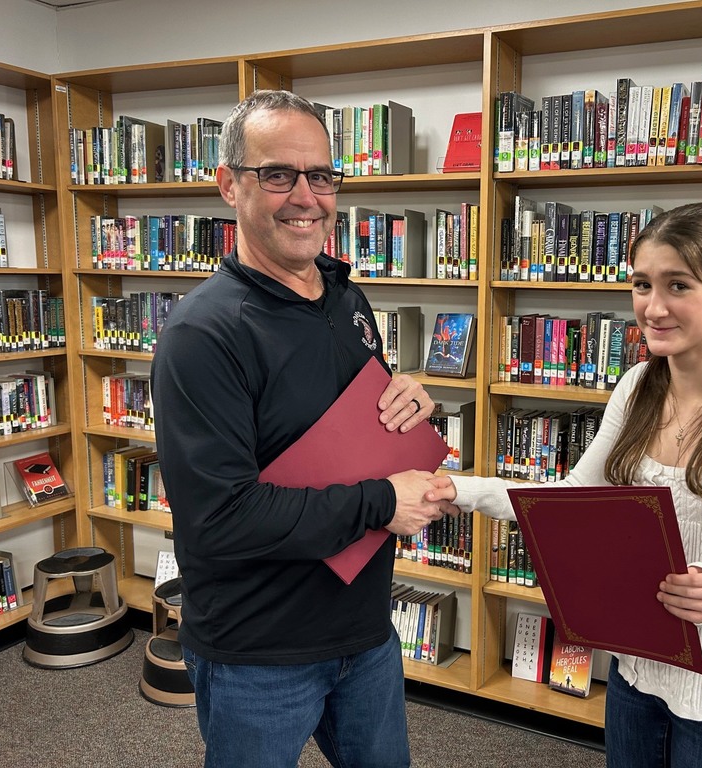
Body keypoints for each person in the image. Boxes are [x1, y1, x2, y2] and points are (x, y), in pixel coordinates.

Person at [426, 202, 702, 767]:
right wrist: (459, 490)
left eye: (678, 285)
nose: (653, 307)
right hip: (640, 674)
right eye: (641, 284)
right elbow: (574, 498)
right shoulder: (636, 389)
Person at [150, 90, 456, 768]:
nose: (305, 197)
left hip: (364, 633)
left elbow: (344, 420)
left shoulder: (347, 297)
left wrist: (405, 397)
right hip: (259, 654)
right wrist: (384, 500)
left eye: (320, 176)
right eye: (278, 174)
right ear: (229, 184)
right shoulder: (204, 335)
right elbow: (221, 519)